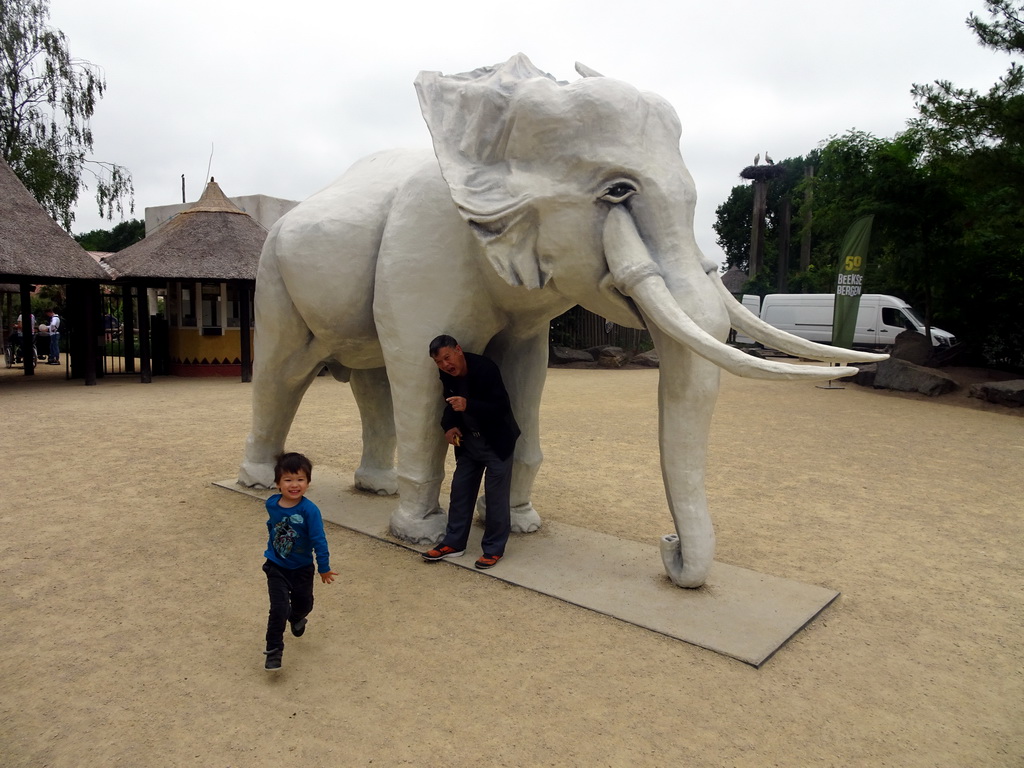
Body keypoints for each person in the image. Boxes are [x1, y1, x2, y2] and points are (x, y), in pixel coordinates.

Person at [422, 334, 520, 570]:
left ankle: (494, 549)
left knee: (496, 498)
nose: (445, 365)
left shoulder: (485, 369)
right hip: (469, 443)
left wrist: (469, 405)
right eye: (439, 362)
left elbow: (501, 408)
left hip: (497, 442)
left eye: (447, 357)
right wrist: (449, 426)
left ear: (458, 350)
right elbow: (450, 403)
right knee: (460, 491)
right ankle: (454, 543)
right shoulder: (447, 374)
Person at [261, 452, 337, 672]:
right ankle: (273, 651)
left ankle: (297, 617)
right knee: (278, 608)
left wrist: (324, 568)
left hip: (302, 568)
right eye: (288, 479)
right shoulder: (272, 503)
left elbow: (318, 540)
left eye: (300, 479)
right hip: (276, 565)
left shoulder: (309, 511)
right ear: (277, 483)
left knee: (305, 605)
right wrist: (273, 547)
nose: (294, 485)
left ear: (308, 482)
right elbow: (272, 525)